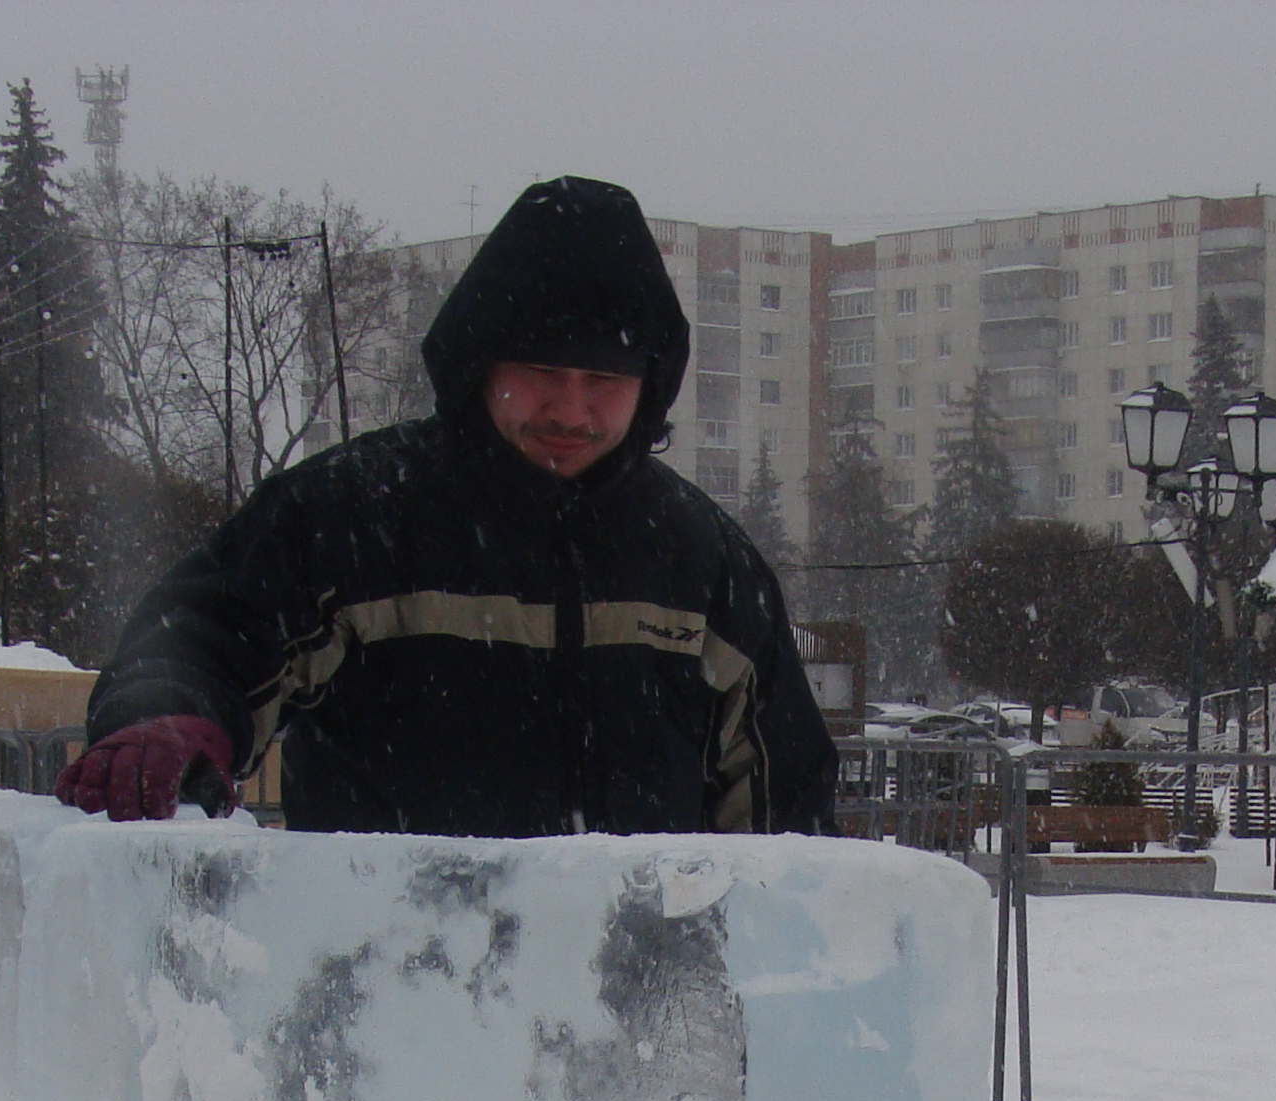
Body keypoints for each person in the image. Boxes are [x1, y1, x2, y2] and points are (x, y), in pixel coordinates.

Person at [59, 176, 834, 837]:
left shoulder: (704, 564)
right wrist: (164, 715)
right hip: (389, 987)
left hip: (629, 1002)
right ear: (481, 358)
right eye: (538, 371)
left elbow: (785, 815)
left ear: (651, 383)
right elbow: (202, 633)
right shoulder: (354, 518)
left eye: (603, 381)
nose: (570, 409)